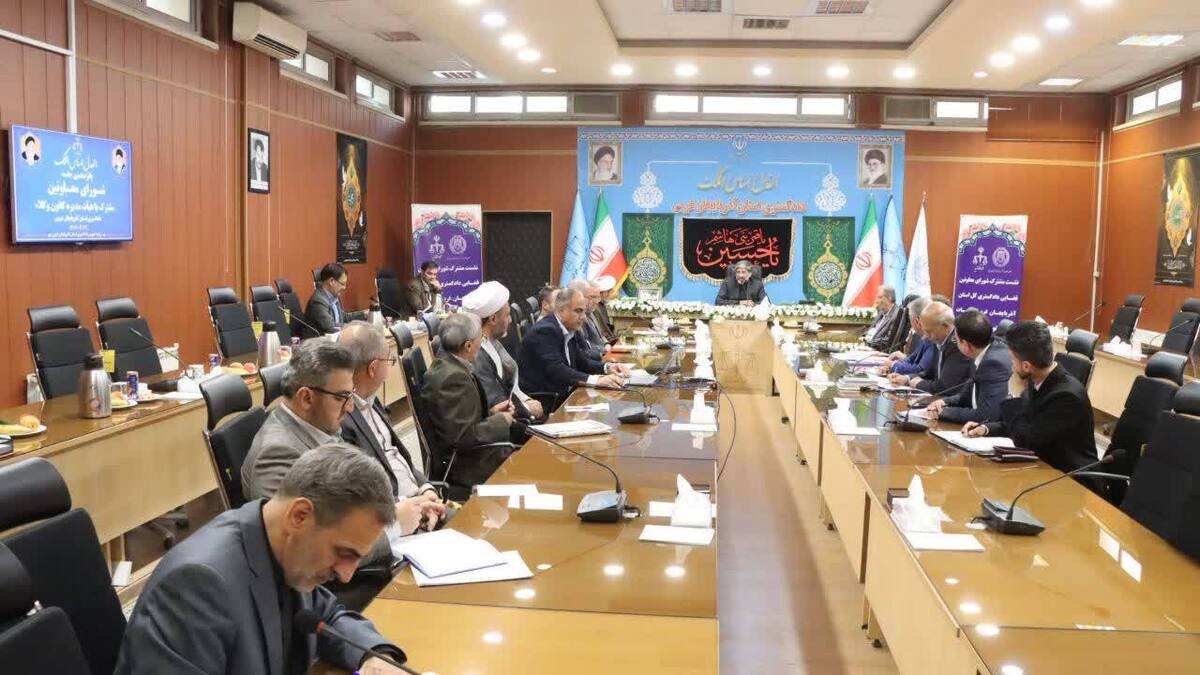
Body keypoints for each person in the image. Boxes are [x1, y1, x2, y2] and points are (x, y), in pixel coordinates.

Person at [115, 445, 411, 675]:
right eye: (344, 553)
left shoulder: (288, 551)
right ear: (300, 516)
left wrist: (374, 657)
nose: (347, 575)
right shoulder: (197, 585)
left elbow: (329, 618)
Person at [242, 341, 442, 536]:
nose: (350, 407)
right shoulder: (276, 454)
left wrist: (410, 506)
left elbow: (358, 493)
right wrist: (394, 525)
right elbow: (305, 543)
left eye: (351, 394)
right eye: (341, 397)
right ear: (306, 398)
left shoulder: (320, 427)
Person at [963, 320, 1101, 492]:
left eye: (1012, 360)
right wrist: (985, 429)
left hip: (1071, 483)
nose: (1011, 366)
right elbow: (1022, 423)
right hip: (1041, 471)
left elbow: (1026, 442)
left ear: (1026, 365)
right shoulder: (1037, 379)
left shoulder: (1066, 397)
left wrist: (1014, 396)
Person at [337, 322, 441, 506]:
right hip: (398, 511)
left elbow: (397, 456)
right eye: (389, 360)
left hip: (419, 496)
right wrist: (415, 504)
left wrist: (426, 487)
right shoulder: (342, 421)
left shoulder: (372, 399)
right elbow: (364, 495)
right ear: (373, 368)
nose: (391, 366)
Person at [420, 313, 523, 488]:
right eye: (480, 339)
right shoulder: (453, 379)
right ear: (468, 346)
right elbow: (462, 437)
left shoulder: (449, 365)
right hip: (469, 467)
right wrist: (501, 420)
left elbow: (460, 420)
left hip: (473, 456)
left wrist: (492, 412)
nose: (481, 343)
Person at [517, 286, 628, 406]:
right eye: (578, 311)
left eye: (584, 311)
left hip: (566, 394)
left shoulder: (568, 328)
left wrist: (607, 367)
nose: (583, 317)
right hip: (548, 401)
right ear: (561, 310)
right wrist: (598, 380)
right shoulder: (545, 331)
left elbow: (582, 362)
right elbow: (557, 370)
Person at [461, 281, 545, 420]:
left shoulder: (493, 343)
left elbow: (510, 386)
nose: (510, 320)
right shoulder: (477, 355)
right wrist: (527, 408)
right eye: (507, 315)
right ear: (493, 319)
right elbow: (494, 403)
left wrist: (526, 400)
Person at [925, 309, 1012, 424]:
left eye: (956, 340)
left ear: (966, 345)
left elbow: (986, 416)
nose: (955, 342)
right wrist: (943, 402)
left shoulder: (993, 363)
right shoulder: (983, 352)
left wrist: (943, 412)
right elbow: (966, 396)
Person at [891, 301, 972, 395]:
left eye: (929, 332)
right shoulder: (938, 339)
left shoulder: (958, 345)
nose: (926, 336)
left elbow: (945, 387)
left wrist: (919, 384)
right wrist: (907, 378)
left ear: (945, 326)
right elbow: (929, 372)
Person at [880, 296, 935, 377]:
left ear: (917, 321)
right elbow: (910, 360)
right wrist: (893, 365)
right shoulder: (924, 338)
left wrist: (892, 365)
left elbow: (920, 370)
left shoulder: (933, 339)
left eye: (910, 320)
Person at [306, 263, 366, 336]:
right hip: (320, 341)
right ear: (332, 281)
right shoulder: (318, 301)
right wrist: (357, 327)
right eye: (342, 284)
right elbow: (331, 327)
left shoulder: (334, 296)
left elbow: (344, 317)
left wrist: (364, 314)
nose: (344, 287)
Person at [569, 279, 608, 359]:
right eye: (592, 297)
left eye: (598, 297)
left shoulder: (592, 312)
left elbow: (600, 336)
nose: (596, 301)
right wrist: (604, 351)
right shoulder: (575, 318)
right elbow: (585, 346)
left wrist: (607, 345)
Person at [863, 285, 902, 352]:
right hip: (869, 348)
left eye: (880, 297)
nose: (876, 301)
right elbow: (872, 329)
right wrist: (864, 337)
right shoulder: (881, 313)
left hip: (880, 352)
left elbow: (889, 340)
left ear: (889, 298)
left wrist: (869, 342)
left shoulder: (896, 315)